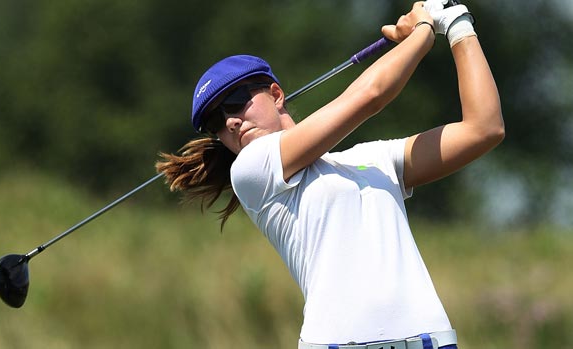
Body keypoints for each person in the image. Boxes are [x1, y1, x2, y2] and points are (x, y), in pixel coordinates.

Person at [156, 1, 504, 348]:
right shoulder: (251, 170)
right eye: (215, 122)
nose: (230, 121)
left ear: (276, 95)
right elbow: (370, 96)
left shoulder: (376, 157)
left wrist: (456, 23)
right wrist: (425, 30)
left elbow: (483, 129)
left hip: (429, 340)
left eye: (234, 102)